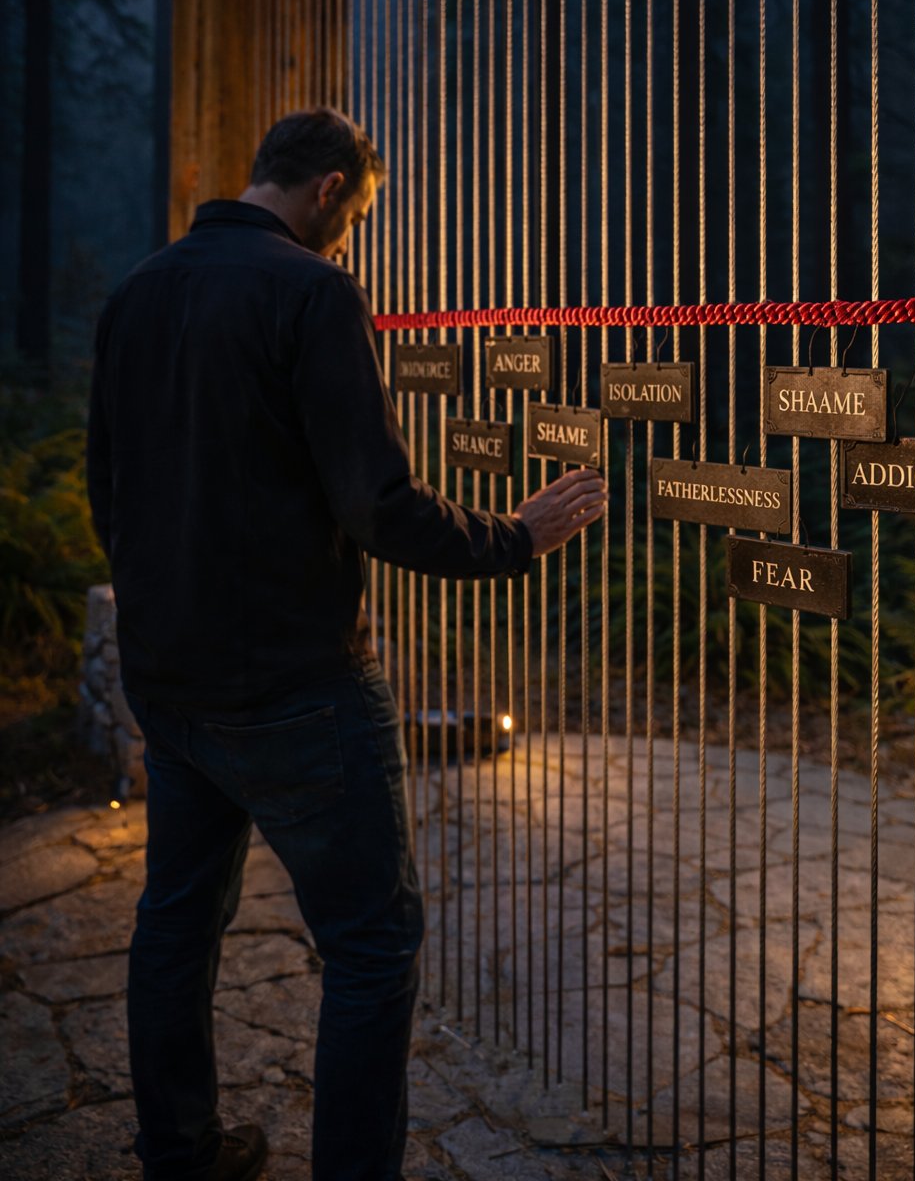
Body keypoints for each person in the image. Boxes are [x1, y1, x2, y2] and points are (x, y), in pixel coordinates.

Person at [86, 107, 607, 1181]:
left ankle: (177, 1153)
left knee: (176, 926)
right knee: (372, 951)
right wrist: (517, 536)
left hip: (172, 687)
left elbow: (111, 489)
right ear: (329, 189)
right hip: (297, 693)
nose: (353, 234)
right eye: (359, 212)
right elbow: (377, 504)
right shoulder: (312, 292)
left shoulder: (138, 292)